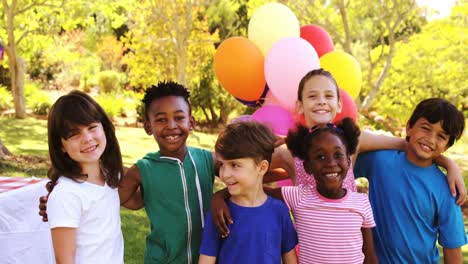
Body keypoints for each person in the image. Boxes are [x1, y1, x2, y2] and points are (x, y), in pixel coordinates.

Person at [211, 68, 466, 235]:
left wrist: (448, 163)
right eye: (313, 96)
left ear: (338, 103)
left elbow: (407, 143)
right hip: (308, 246)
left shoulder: (353, 141)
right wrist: (221, 195)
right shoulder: (290, 150)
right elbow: (251, 172)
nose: (321, 100)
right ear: (300, 105)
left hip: (348, 247)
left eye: (328, 95)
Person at [353, 98, 467, 263]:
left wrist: (449, 164)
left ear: (447, 147)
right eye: (425, 128)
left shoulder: (447, 188)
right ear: (409, 127)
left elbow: (453, 248)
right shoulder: (379, 161)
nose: (430, 139)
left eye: (441, 136)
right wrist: (448, 163)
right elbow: (348, 145)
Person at [198, 122, 298, 264]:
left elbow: (290, 259)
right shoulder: (219, 214)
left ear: (262, 167)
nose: (224, 174)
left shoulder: (280, 211)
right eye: (222, 165)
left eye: (235, 165)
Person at [46, 91, 124, 263]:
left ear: (104, 127)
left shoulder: (111, 175)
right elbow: (64, 261)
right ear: (61, 146)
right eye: (74, 134)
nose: (87, 138)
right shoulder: (67, 194)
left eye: (92, 127)